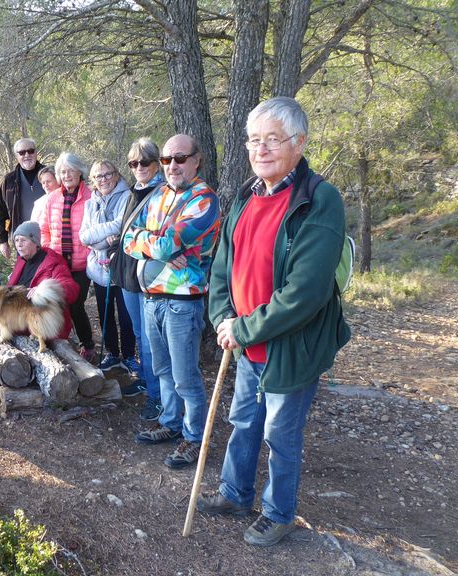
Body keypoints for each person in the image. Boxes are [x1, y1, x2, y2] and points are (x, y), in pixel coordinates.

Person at [200, 97, 351, 547]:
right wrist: (224, 318)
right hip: (248, 345)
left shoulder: (319, 200)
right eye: (253, 140)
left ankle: (279, 511)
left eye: (272, 140)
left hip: (292, 347)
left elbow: (305, 293)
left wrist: (242, 328)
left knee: (279, 434)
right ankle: (234, 493)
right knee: (244, 421)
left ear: (299, 143)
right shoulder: (248, 194)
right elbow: (222, 266)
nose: (260, 149)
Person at [123, 134, 220, 469]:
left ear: (196, 160)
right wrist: (159, 248)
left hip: (182, 301)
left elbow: (166, 245)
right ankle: (171, 422)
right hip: (152, 297)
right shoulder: (158, 194)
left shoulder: (204, 200)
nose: (172, 166)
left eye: (180, 158)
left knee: (185, 376)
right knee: (162, 369)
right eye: (166, 160)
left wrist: (154, 246)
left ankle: (194, 439)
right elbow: (126, 239)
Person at [0, 220, 80, 373]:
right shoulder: (22, 261)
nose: (18, 244)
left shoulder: (53, 262)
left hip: (38, 317)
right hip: (19, 312)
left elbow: (71, 288)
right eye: (16, 240)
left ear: (35, 242)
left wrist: (43, 290)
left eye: (23, 240)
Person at [111, 138, 165, 419]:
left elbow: (157, 238)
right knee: (138, 332)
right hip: (128, 274)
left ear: (157, 163)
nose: (139, 167)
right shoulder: (136, 192)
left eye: (145, 162)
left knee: (149, 339)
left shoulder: (162, 194)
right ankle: (145, 379)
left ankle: (157, 397)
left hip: (148, 277)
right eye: (134, 163)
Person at [80, 161, 137, 373]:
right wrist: (105, 238)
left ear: (116, 174)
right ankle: (112, 354)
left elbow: (120, 226)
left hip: (122, 267)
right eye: (98, 176)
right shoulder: (90, 203)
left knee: (125, 314)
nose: (103, 180)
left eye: (107, 174)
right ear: (92, 180)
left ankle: (129, 356)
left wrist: (98, 238)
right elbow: (84, 236)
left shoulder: (127, 196)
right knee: (105, 316)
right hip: (98, 268)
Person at [39, 152, 96, 361]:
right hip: (58, 263)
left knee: (75, 303)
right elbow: (44, 229)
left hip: (82, 263)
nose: (67, 175)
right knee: (55, 302)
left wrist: (92, 254)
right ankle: (60, 341)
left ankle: (87, 344)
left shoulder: (91, 196)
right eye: (63, 171)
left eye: (71, 170)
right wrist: (48, 250)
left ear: (80, 171)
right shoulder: (52, 198)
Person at [0, 138, 46, 259]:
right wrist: (3, 240)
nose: (27, 155)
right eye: (22, 152)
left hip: (48, 238)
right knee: (26, 276)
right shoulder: (9, 181)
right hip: (23, 241)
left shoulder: (49, 175)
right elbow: (2, 214)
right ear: (16, 156)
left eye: (30, 151)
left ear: (36, 153)